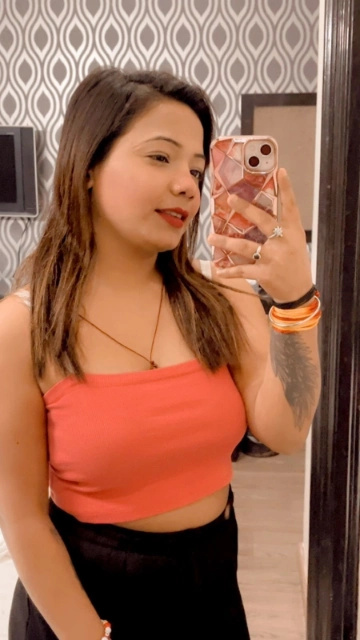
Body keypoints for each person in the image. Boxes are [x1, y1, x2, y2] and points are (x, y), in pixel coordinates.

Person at [0, 66, 321, 640]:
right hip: (84, 594)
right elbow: (24, 520)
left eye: (198, 169)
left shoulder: (222, 295)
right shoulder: (24, 325)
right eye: (161, 158)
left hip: (210, 584)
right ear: (89, 165)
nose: (188, 186)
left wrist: (296, 300)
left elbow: (286, 430)